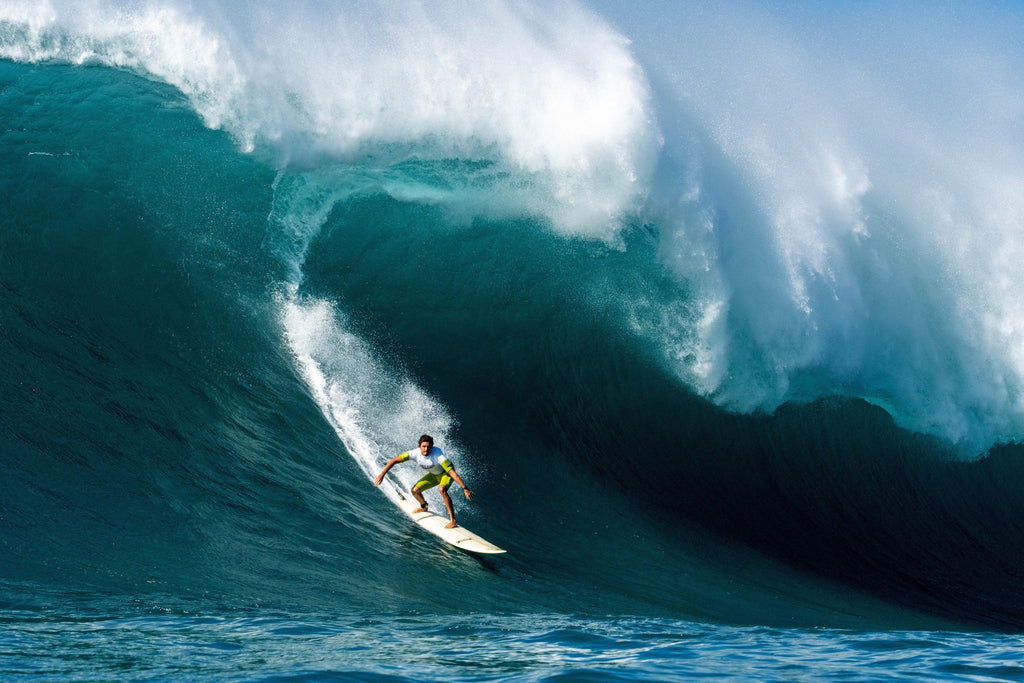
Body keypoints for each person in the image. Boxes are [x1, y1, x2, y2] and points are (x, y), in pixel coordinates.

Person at [374, 434, 474, 528]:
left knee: (442, 489)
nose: (426, 449)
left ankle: (453, 521)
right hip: (434, 475)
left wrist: (465, 488)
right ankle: (424, 506)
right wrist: (382, 474)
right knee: (415, 491)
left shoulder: (438, 455)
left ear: (432, 447)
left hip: (445, 474)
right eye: (424, 446)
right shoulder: (414, 453)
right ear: (419, 446)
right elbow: (394, 461)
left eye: (429, 447)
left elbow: (452, 473)